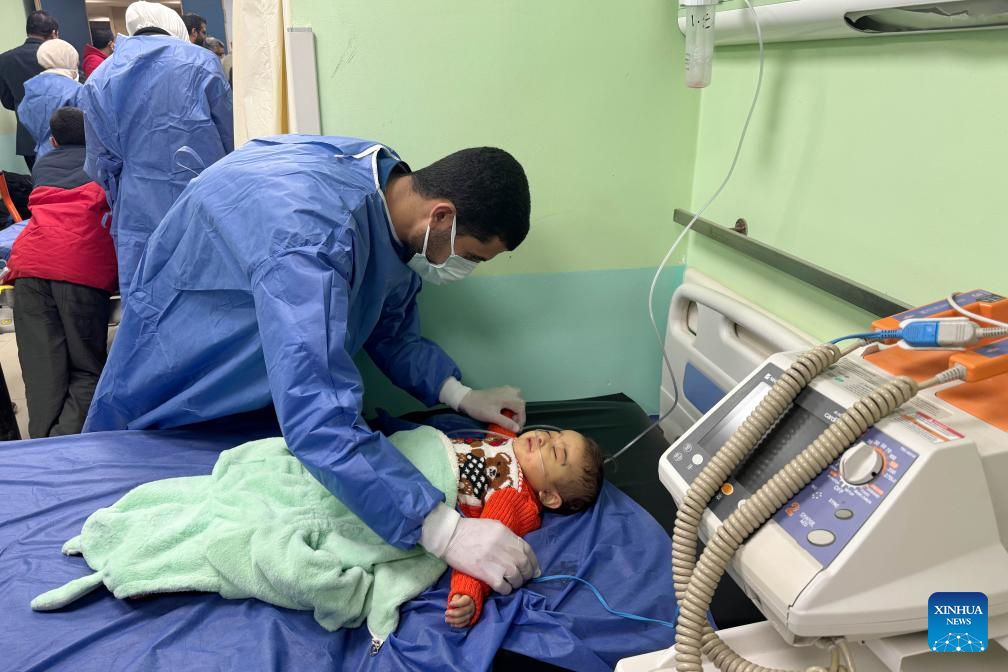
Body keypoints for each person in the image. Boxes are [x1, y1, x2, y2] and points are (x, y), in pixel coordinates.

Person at [84, 135, 538, 595]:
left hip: (253, 381)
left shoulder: (390, 194)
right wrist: (444, 530)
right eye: (470, 256)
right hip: (178, 380)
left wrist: (460, 395)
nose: (464, 268)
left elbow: (388, 323)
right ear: (441, 216)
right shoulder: (312, 239)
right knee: (128, 506)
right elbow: (317, 413)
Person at [79, 0, 232, 296]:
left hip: (137, 206)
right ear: (174, 26)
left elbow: (100, 163)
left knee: (147, 294)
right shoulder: (202, 62)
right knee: (209, 290)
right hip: (204, 196)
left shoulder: (100, 77)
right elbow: (231, 136)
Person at [6, 107, 116, 438]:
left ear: (53, 141)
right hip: (80, 267)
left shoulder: (43, 165)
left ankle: (43, 448)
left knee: (42, 372)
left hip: (28, 265)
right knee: (86, 370)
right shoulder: (107, 165)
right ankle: (63, 446)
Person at [445, 427, 604, 627]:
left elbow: (482, 550)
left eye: (556, 452)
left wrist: (467, 591)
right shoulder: (514, 443)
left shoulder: (513, 497)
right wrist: (506, 414)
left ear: (549, 496)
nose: (544, 438)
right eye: (553, 434)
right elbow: (499, 430)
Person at [0, 10, 59, 172]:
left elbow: (7, 101)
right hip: (62, 134)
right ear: (54, 33)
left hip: (28, 138)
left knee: (40, 183)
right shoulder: (58, 55)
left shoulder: (4, 59)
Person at [17, 39, 81, 163]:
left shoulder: (31, 89)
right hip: (74, 159)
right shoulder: (76, 90)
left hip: (43, 158)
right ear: (68, 59)